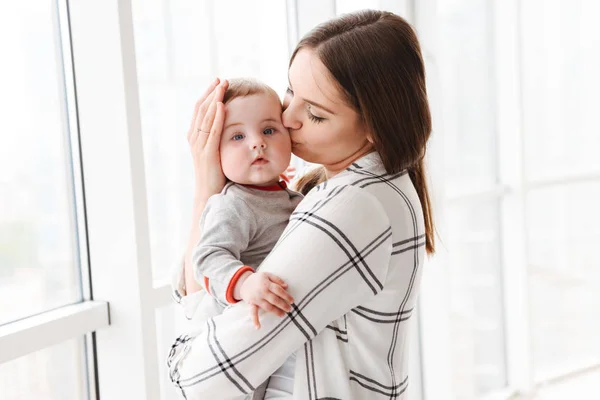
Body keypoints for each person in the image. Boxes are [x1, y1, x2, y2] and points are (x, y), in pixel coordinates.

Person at [168, 9, 435, 400]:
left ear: (375, 128)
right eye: (290, 92)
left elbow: (198, 380)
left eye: (314, 113)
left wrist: (207, 188)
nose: (286, 117)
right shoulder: (378, 186)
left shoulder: (349, 208)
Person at [171, 78, 301, 329]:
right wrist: (244, 283)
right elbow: (207, 259)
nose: (257, 142)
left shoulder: (284, 196)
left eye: (269, 130)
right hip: (242, 326)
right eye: (237, 136)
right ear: (215, 153)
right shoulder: (232, 205)